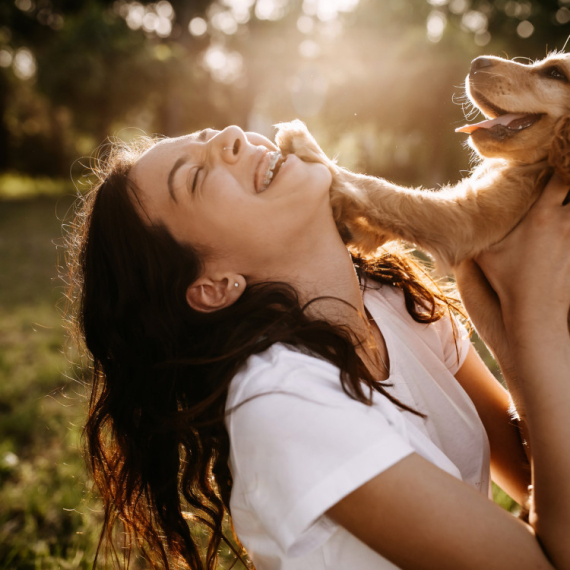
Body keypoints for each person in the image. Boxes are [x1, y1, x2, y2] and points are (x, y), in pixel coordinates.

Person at [66, 125, 570, 570]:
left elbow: (540, 468)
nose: (233, 137)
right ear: (215, 286)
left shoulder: (388, 300)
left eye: (215, 134)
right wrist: (535, 321)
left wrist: (506, 329)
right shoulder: (283, 404)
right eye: (197, 177)